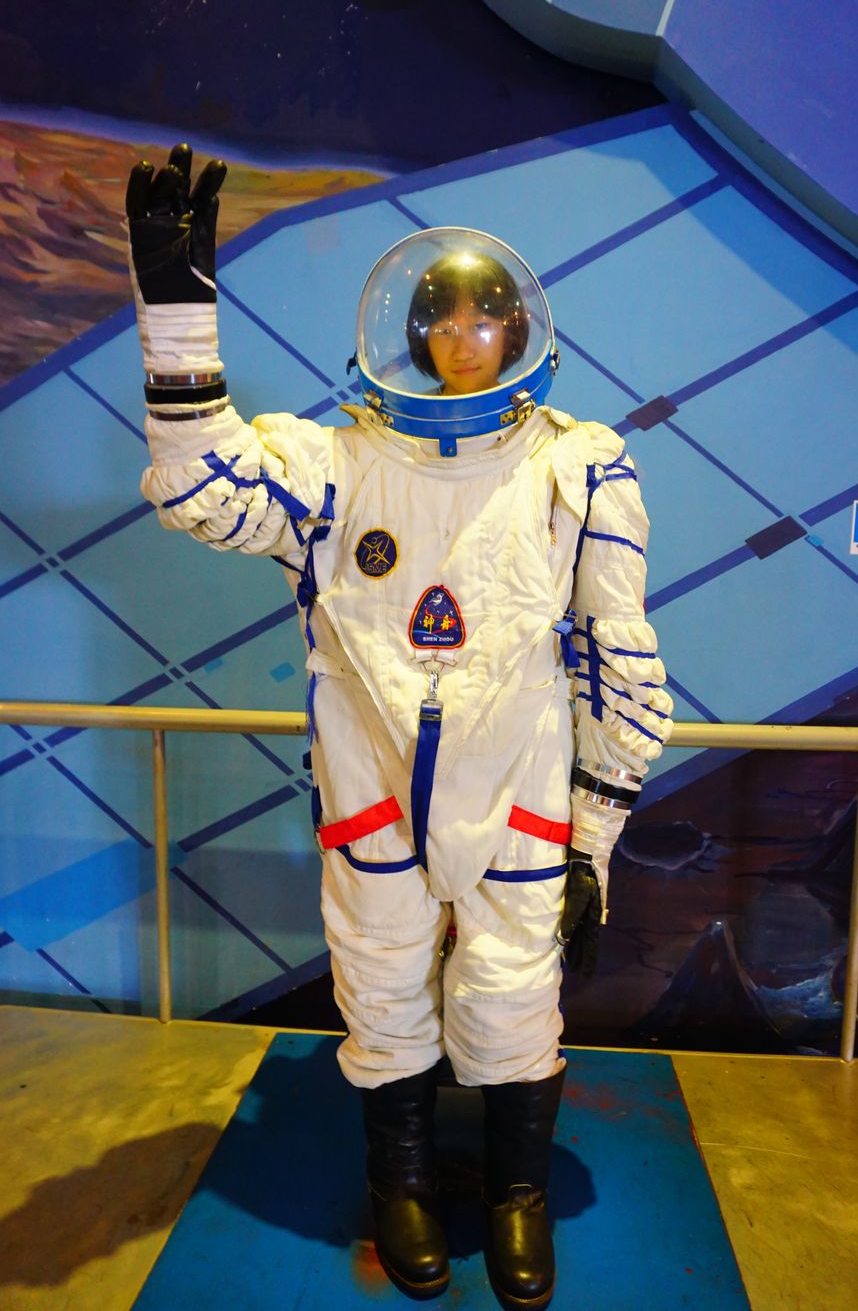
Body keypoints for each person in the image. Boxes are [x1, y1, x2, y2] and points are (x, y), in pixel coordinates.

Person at [126, 146, 673, 1310]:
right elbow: (201, 492)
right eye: (443, 317)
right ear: (412, 334)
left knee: (513, 989)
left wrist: (594, 842)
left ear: (518, 330)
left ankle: (517, 1194)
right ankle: (404, 1185)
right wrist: (176, 316)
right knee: (380, 983)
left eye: (487, 315)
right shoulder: (334, 466)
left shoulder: (576, 470)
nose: (465, 336)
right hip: (372, 784)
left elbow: (618, 658)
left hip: (521, 791)